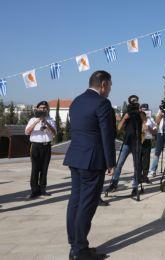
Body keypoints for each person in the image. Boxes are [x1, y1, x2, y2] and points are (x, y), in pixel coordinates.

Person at [64, 71, 116, 260]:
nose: (110, 89)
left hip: (75, 157)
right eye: (109, 85)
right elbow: (107, 134)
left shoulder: (76, 101)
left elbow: (74, 130)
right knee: (87, 204)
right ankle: (80, 251)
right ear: (103, 84)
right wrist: (111, 162)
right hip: (92, 161)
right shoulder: (102, 103)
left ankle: (75, 245)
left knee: (75, 202)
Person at [105, 95, 145, 198]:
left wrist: (141, 113)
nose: (134, 103)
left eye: (135, 101)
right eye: (132, 101)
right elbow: (118, 128)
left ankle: (135, 187)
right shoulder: (127, 114)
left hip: (136, 143)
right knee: (119, 164)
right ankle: (114, 184)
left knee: (137, 165)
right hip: (126, 142)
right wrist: (124, 118)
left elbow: (145, 123)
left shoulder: (140, 113)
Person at [24, 101, 57, 199]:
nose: (43, 109)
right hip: (35, 146)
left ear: (47, 109)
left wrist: (46, 123)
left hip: (46, 146)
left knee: (44, 169)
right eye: (41, 108)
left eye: (45, 108)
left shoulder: (50, 120)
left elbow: (54, 133)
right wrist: (36, 121)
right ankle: (34, 190)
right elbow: (27, 132)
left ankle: (42, 189)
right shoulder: (32, 120)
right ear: (37, 109)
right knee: (35, 169)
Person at [140, 104, 157, 184]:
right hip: (139, 141)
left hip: (147, 141)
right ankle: (137, 177)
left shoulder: (151, 119)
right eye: (143, 109)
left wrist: (149, 127)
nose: (144, 111)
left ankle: (145, 177)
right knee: (138, 160)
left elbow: (155, 132)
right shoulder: (137, 118)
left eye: (146, 109)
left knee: (146, 161)